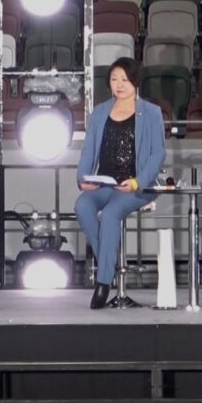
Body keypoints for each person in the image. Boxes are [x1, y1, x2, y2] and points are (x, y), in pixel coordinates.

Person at [75, 57, 166, 309]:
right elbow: (88, 151)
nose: (119, 85)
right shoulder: (100, 112)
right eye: (114, 80)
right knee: (82, 205)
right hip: (104, 183)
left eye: (125, 79)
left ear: (136, 81)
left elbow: (158, 153)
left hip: (136, 185)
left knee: (112, 213)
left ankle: (103, 282)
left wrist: (138, 182)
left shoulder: (150, 112)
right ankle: (109, 262)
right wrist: (83, 179)